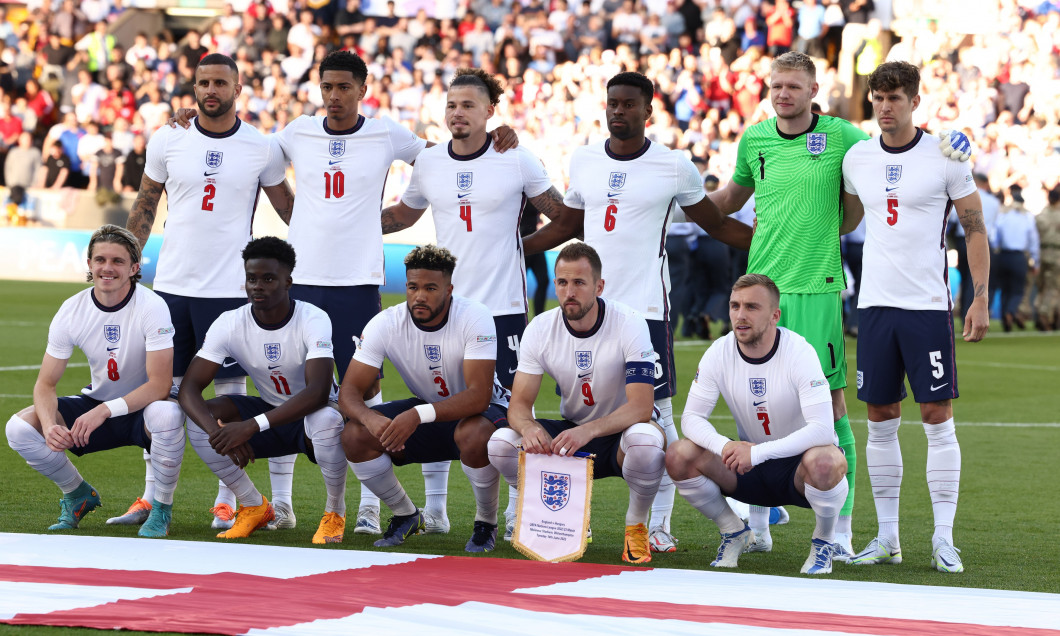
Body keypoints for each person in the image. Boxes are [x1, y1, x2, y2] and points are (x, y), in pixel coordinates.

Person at [706, 51, 971, 558]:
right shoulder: (754, 139)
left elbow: (897, 143)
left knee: (831, 408)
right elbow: (727, 203)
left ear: (812, 91)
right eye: (776, 85)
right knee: (750, 402)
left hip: (818, 287)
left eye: (793, 86)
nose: (783, 93)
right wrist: (678, 204)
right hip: (761, 285)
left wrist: (954, 140)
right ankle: (760, 521)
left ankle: (841, 529)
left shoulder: (843, 138)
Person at [532, 71, 752, 554]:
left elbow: (715, 224)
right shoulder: (585, 159)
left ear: (647, 111)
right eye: (613, 102)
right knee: (576, 408)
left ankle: (658, 526)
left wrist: (774, 246)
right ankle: (567, 521)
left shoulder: (675, 166)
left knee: (659, 418)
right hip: (587, 314)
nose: (618, 110)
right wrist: (511, 247)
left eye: (629, 104)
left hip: (647, 310)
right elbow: (567, 224)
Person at [377, 67, 579, 540]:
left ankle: (507, 516)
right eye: (451, 105)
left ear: (491, 111)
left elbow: (566, 218)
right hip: (443, 312)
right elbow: (404, 214)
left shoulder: (516, 158)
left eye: (468, 105)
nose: (457, 113)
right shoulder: (428, 163)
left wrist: (521, 248)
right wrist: (347, 222)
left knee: (502, 419)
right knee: (440, 404)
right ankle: (436, 511)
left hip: (502, 310)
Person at [123, 53, 297, 532]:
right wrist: (127, 261)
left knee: (231, 397)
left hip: (232, 294)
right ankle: (153, 497)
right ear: (193, 87)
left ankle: (229, 501)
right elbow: (144, 206)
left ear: (238, 88)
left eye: (220, 81)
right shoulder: (168, 137)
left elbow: (291, 213)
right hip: (172, 290)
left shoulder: (260, 147)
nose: (210, 89)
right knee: (162, 398)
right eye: (203, 82)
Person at [840, 61, 990, 574]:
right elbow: (845, 215)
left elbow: (974, 229)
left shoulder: (946, 155)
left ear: (914, 102)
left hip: (926, 306)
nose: (885, 107)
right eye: (878, 98)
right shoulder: (857, 157)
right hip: (875, 306)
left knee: (935, 417)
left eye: (895, 98)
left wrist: (979, 296)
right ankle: (887, 537)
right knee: (879, 418)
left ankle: (943, 539)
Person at [487, 243, 666, 565]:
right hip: (572, 431)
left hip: (622, 431)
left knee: (647, 443)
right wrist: (529, 428)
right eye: (562, 283)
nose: (569, 292)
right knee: (501, 444)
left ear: (599, 287)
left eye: (579, 283)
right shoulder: (540, 328)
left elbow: (641, 407)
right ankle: (553, 518)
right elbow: (519, 404)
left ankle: (635, 526)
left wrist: (588, 431)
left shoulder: (630, 323)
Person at [5, 225, 185, 538]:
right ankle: (77, 494)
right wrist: (50, 427)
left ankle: (161, 509)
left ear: (134, 268)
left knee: (168, 414)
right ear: (89, 264)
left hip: (143, 409)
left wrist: (103, 411)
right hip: (96, 404)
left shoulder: (153, 306)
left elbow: (159, 384)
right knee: (18, 428)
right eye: (100, 259)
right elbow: (45, 385)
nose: (107, 268)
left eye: (117, 261)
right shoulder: (72, 309)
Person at [666, 274, 848, 575]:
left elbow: (822, 430)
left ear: (775, 315)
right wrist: (726, 446)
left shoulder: (799, 352)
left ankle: (823, 542)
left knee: (827, 460)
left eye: (752, 307)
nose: (740, 315)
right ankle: (733, 532)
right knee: (678, 454)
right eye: (734, 306)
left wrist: (758, 452)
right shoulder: (719, 351)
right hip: (746, 470)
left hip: (798, 472)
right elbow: (691, 419)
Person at [339, 245, 510, 552]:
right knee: (354, 434)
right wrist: (369, 417)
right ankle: (406, 515)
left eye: (431, 288)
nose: (419, 296)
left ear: (449, 289)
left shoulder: (475, 316)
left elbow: (478, 397)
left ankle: (486, 523)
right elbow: (348, 392)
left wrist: (417, 415)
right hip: (431, 411)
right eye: (413, 287)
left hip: (486, 413)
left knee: (473, 432)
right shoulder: (386, 323)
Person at [177, 237, 348, 544]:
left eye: (268, 279)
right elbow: (189, 388)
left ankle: (335, 512)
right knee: (199, 420)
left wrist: (249, 427)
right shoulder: (229, 323)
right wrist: (221, 434)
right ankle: (254, 505)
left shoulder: (313, 318)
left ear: (288, 282)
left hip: (314, 416)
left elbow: (319, 391)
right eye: (251, 279)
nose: (258, 286)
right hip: (269, 410)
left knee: (326, 420)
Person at [994, 186, 1040, 332]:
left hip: (1003, 255)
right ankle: (1011, 312)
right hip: (1019, 256)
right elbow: (1033, 241)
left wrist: (996, 249)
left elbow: (995, 236)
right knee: (1017, 291)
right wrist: (1035, 260)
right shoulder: (1027, 217)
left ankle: (1004, 320)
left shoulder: (1003, 214)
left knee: (1005, 290)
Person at [1035, 186, 1060, 331]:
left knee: (1042, 286)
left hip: (1042, 252)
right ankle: (1046, 314)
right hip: (1057, 254)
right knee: (1054, 287)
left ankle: (1041, 311)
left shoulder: (1041, 216)